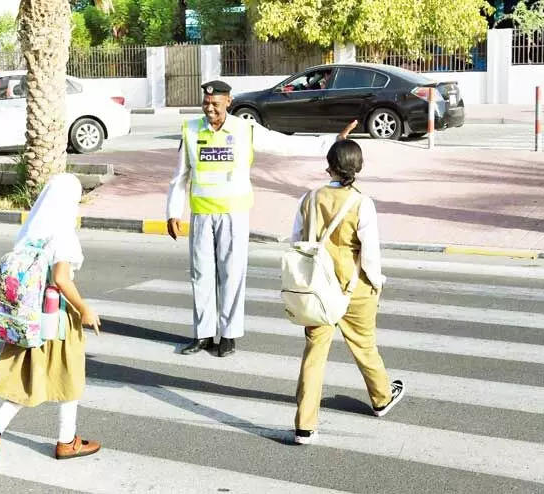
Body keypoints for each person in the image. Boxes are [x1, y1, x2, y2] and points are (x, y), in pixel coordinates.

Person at [166, 79, 357, 358]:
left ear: (228, 102)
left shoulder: (245, 129)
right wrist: (173, 211)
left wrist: (332, 141)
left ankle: (228, 335)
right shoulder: (191, 129)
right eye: (206, 103)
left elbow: (285, 144)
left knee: (232, 274)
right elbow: (180, 176)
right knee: (201, 274)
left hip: (234, 213)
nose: (210, 108)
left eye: (215, 103)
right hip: (202, 214)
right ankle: (204, 334)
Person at [0, 173, 103, 473]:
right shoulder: (63, 232)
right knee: (69, 376)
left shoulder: (31, 230)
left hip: (30, 319)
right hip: (57, 317)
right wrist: (84, 308)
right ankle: (66, 441)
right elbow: (60, 278)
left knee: (30, 380)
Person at [289, 139, 405, 445]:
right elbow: (370, 255)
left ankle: (304, 425)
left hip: (317, 289)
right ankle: (381, 398)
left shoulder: (309, 198)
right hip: (354, 288)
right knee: (364, 345)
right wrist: (377, 282)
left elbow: (296, 239)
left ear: (328, 166)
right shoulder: (362, 203)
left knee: (314, 354)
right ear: (359, 167)